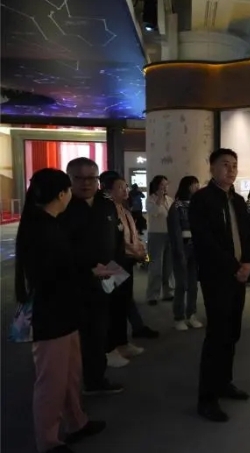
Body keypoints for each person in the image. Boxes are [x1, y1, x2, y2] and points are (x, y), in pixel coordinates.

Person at [16, 168, 108, 453]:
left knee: (70, 375)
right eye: (70, 188)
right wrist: (88, 274)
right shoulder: (41, 229)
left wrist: (87, 270)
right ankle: (48, 441)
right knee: (51, 382)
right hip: (51, 316)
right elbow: (51, 275)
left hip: (66, 312)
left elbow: (65, 265)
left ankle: (76, 422)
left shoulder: (50, 223)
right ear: (61, 194)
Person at [189, 149, 250, 422]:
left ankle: (224, 382)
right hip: (217, 276)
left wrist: (249, 262)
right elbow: (205, 242)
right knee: (217, 335)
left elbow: (247, 235)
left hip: (239, 275)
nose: (231, 170)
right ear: (212, 168)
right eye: (225, 165)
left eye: (234, 165)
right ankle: (207, 398)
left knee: (232, 332)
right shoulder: (202, 200)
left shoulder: (237, 200)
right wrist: (234, 267)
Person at [62, 157, 124, 396]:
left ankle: (95, 380)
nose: (86, 183)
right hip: (73, 283)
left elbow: (116, 240)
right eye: (79, 178)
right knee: (73, 337)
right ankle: (68, 386)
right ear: (69, 179)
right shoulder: (62, 207)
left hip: (106, 279)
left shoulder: (106, 204)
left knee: (99, 331)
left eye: (91, 178)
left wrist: (116, 272)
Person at [99, 171, 146, 369]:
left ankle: (122, 343)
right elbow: (117, 241)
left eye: (125, 186)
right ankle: (110, 349)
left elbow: (132, 235)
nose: (125, 190)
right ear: (108, 190)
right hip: (115, 263)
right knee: (113, 306)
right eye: (120, 187)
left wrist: (140, 251)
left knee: (123, 302)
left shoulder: (123, 208)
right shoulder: (107, 210)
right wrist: (135, 252)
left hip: (127, 261)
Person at [168, 175, 203, 331]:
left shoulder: (197, 204)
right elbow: (175, 231)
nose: (197, 187)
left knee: (193, 284)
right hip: (182, 247)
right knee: (181, 284)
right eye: (195, 184)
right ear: (188, 186)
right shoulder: (176, 206)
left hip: (195, 248)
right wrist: (179, 251)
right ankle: (179, 317)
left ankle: (191, 314)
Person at [146, 175, 174, 306]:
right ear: (156, 186)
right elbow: (154, 212)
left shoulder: (169, 199)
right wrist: (159, 198)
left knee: (168, 266)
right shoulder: (151, 199)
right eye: (162, 184)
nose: (165, 187)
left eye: (166, 184)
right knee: (155, 266)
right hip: (156, 235)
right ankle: (153, 295)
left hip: (170, 235)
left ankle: (168, 292)